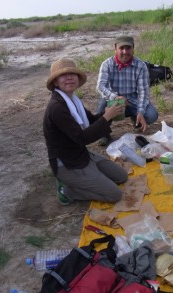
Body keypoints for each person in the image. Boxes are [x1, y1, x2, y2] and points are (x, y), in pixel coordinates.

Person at [43, 57, 128, 205]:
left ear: (77, 78)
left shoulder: (73, 100)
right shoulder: (57, 107)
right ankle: (68, 191)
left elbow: (94, 121)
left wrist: (113, 110)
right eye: (63, 75)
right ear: (55, 82)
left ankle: (90, 176)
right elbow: (82, 138)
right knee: (115, 195)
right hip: (67, 163)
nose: (69, 77)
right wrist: (107, 116)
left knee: (121, 176)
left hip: (81, 154)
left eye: (72, 74)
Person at [95, 35, 159, 146]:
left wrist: (140, 111)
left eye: (128, 48)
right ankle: (103, 133)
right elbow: (101, 86)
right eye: (121, 48)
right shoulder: (107, 64)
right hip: (113, 99)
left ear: (133, 48)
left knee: (151, 115)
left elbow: (143, 91)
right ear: (115, 49)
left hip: (132, 99)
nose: (125, 52)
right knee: (100, 110)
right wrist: (116, 97)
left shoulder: (141, 65)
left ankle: (136, 119)